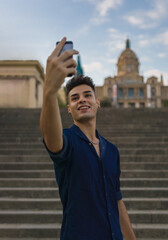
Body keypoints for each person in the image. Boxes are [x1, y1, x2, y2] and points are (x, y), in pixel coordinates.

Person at [40, 37, 136, 240]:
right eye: (74, 98)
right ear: (68, 109)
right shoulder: (67, 141)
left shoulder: (112, 150)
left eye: (87, 95)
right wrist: (49, 91)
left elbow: (117, 201)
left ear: (97, 102)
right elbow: (51, 137)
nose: (81, 99)